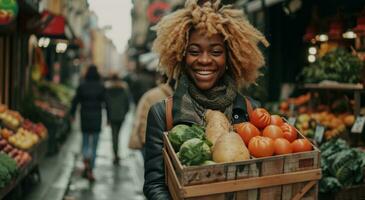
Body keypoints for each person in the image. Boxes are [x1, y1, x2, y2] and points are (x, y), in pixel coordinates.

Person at [143, 0, 269, 199]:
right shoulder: (162, 114)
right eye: (194, 51)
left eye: (216, 52)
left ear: (230, 57)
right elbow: (155, 184)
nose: (204, 60)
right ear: (181, 56)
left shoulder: (250, 109)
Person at [70, 64, 106, 181]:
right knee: (95, 145)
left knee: (85, 141)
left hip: (84, 116)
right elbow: (107, 102)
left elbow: (75, 101)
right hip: (96, 117)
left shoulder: (82, 86)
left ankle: (86, 159)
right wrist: (109, 118)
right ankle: (91, 168)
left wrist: (72, 114)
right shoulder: (101, 86)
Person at [128, 76, 174, 159]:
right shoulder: (153, 95)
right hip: (152, 144)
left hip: (162, 144)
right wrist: (145, 141)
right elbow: (143, 119)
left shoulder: (151, 94)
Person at [105, 74, 130, 165]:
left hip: (112, 116)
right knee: (118, 134)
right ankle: (116, 154)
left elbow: (106, 105)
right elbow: (127, 103)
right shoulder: (123, 89)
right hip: (120, 115)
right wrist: (124, 113)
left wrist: (107, 118)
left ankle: (115, 154)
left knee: (114, 135)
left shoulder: (108, 90)